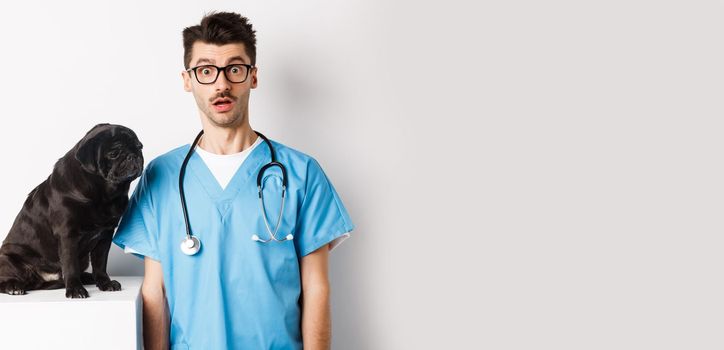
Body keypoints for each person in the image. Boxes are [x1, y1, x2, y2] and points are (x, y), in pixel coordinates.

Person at [112, 11, 355, 350]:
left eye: (235, 69)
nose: (221, 84)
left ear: (252, 77)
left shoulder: (302, 174)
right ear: (187, 80)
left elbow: (317, 288)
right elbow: (156, 293)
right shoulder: (161, 176)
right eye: (206, 71)